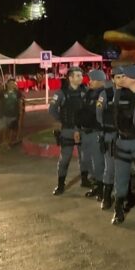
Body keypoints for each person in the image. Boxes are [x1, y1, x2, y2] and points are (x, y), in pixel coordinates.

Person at [110, 66, 135, 226]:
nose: (121, 79)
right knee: (120, 177)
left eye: (124, 76)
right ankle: (118, 209)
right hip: (122, 141)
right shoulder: (119, 93)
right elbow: (115, 117)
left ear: (134, 78)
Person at [48, 67, 87, 196]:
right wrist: (63, 120)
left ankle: (85, 180)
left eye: (81, 75)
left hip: (82, 129)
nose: (81, 78)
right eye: (77, 75)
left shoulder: (85, 91)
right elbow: (52, 110)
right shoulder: (61, 93)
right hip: (67, 130)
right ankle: (60, 184)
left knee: (84, 157)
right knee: (65, 159)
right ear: (70, 78)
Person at [96, 66, 125, 210]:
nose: (120, 80)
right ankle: (106, 197)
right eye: (117, 77)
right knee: (110, 168)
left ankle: (121, 197)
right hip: (110, 135)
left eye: (122, 77)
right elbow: (99, 114)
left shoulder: (129, 93)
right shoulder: (106, 94)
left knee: (124, 169)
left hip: (125, 136)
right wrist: (104, 132)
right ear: (113, 79)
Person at [78, 70, 107, 199]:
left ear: (100, 81)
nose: (89, 81)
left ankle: (102, 189)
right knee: (87, 160)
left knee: (98, 162)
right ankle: (95, 185)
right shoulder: (88, 94)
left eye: (92, 79)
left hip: (96, 132)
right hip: (85, 132)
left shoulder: (104, 94)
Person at [0, 78, 25, 148]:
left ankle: (9, 142)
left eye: (13, 83)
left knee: (11, 128)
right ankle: (4, 141)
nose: (12, 84)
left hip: (14, 114)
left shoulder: (17, 92)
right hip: (4, 113)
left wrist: (21, 110)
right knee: (5, 128)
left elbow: (20, 101)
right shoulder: (3, 92)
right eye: (10, 83)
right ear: (7, 84)